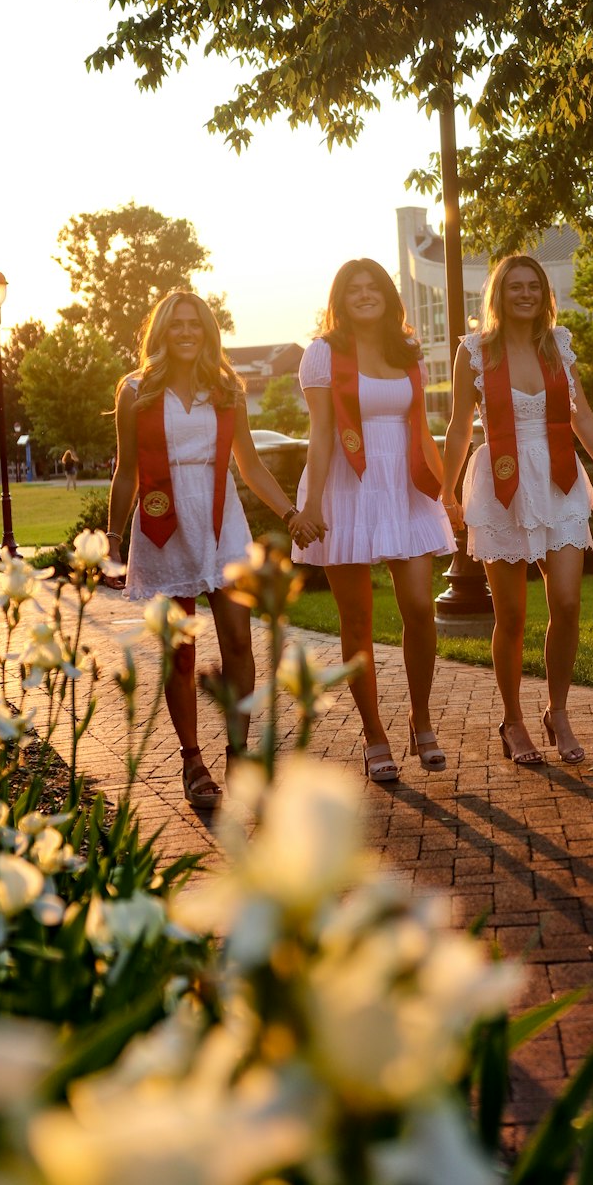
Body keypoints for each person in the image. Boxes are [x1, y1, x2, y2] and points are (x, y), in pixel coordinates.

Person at [106, 291, 312, 809]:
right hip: (163, 522)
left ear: (207, 331)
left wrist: (290, 513)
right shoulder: (135, 391)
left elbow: (250, 464)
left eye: (194, 324)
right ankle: (192, 759)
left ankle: (239, 751)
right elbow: (126, 469)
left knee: (240, 643)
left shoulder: (227, 390)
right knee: (180, 652)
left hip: (222, 522)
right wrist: (111, 540)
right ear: (160, 331)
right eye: (175, 324)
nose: (185, 332)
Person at [440, 255, 593, 767]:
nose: (524, 294)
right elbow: (459, 425)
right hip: (501, 480)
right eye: (514, 286)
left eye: (533, 286)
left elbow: (581, 414)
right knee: (513, 615)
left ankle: (557, 710)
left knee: (566, 603)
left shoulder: (557, 347)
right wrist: (447, 491)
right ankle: (513, 719)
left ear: (544, 294)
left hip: (558, 477)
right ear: (498, 295)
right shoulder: (475, 352)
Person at [290, 260, 456, 783]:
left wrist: (444, 489)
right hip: (346, 485)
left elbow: (421, 429)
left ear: (388, 296)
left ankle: (421, 718)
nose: (365, 296)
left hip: (404, 486)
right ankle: (373, 733)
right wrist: (312, 502)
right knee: (357, 619)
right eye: (353, 290)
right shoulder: (322, 354)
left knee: (418, 610)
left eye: (373, 288)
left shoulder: (406, 352)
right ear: (340, 300)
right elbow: (320, 433)